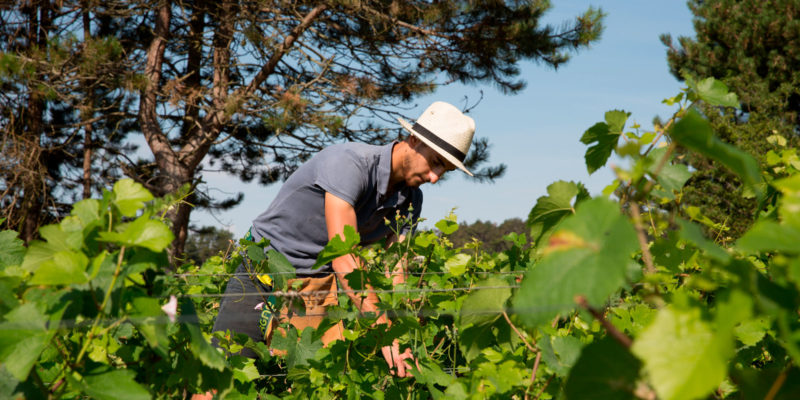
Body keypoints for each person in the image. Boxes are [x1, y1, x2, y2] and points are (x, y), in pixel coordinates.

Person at [211, 101, 476, 378]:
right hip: (264, 270)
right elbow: (343, 257)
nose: (435, 177)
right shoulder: (351, 164)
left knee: (310, 384)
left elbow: (397, 269)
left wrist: (404, 329)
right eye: (435, 162)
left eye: (445, 170)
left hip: (315, 285)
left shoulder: (410, 200)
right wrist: (385, 332)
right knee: (224, 378)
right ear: (414, 139)